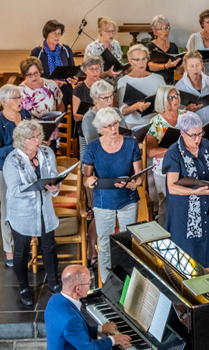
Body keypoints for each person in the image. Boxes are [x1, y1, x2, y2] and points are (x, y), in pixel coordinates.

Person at [3, 120, 62, 306]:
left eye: (38, 136)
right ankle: (23, 287)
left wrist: (55, 187)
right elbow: (13, 190)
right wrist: (36, 187)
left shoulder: (47, 152)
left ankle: (54, 283)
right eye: (32, 138)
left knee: (49, 246)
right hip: (22, 213)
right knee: (21, 251)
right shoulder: (12, 160)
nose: (37, 140)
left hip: (44, 209)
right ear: (22, 140)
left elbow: (53, 175)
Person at [82, 108, 143, 283]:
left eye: (115, 124)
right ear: (101, 129)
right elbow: (86, 177)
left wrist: (134, 183)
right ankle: (107, 284)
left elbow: (139, 175)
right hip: (103, 200)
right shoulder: (93, 147)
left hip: (127, 199)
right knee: (104, 245)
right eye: (108, 126)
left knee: (128, 243)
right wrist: (90, 180)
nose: (114, 129)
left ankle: (128, 282)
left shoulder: (130, 143)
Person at [164, 112, 209, 269]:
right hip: (184, 217)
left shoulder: (205, 145)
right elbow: (172, 187)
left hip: (205, 211)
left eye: (200, 134)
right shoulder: (173, 153)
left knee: (207, 260)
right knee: (186, 263)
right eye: (193, 135)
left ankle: (205, 292)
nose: (197, 139)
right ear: (182, 132)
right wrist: (196, 192)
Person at [0, 84, 32, 267]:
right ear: (4, 101)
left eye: (20, 97)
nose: (20, 101)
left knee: (26, 205)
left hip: (26, 167)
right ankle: (9, 249)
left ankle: (25, 244)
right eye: (15, 98)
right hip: (6, 170)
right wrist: (18, 144)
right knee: (8, 208)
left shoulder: (25, 115)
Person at [45, 265, 131, 350]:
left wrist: (100, 329)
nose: (90, 286)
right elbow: (89, 348)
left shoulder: (54, 299)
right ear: (78, 289)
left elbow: (78, 333)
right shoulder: (71, 320)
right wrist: (113, 340)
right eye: (88, 283)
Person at [145, 85, 183, 226]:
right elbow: (151, 151)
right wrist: (174, 150)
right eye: (170, 97)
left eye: (176, 95)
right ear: (162, 100)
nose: (175, 99)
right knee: (165, 203)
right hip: (164, 167)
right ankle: (164, 234)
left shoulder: (186, 116)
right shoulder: (156, 122)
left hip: (184, 164)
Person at [117, 45, 165, 128]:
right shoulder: (123, 81)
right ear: (130, 61)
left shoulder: (158, 79)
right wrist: (135, 107)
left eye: (144, 59)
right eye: (137, 60)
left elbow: (166, 103)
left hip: (155, 122)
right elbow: (122, 111)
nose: (141, 63)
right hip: (132, 123)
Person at [177, 50, 209, 128]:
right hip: (191, 128)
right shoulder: (180, 86)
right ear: (185, 67)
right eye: (191, 66)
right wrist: (186, 109)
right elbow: (176, 113)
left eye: (197, 65)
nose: (195, 69)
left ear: (202, 65)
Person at [30, 20, 77, 96]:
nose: (57, 36)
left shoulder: (66, 50)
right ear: (47, 34)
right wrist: (53, 83)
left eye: (59, 33)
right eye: (54, 33)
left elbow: (72, 71)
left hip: (65, 90)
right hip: (45, 91)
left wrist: (74, 79)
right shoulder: (37, 53)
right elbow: (32, 77)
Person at [80, 81, 118, 158]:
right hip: (94, 161)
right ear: (95, 99)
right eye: (105, 98)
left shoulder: (117, 112)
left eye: (111, 96)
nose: (110, 100)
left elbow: (126, 135)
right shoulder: (89, 118)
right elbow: (94, 146)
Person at [146, 15, 181, 84]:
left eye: (167, 28)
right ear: (155, 32)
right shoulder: (149, 47)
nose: (165, 31)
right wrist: (165, 66)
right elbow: (150, 66)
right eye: (161, 28)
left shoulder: (173, 46)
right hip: (155, 83)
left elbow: (177, 68)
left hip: (171, 82)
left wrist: (184, 65)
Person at [73, 56, 105, 121]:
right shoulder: (79, 89)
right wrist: (93, 115)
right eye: (91, 69)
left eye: (97, 68)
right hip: (85, 124)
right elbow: (76, 117)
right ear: (85, 70)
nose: (95, 72)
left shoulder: (105, 86)